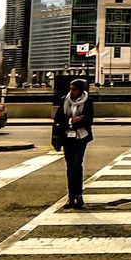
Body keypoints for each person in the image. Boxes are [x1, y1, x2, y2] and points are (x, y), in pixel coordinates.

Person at [54, 78, 94, 209]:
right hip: (67, 136)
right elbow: (58, 118)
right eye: (70, 89)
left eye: (74, 89)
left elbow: (89, 119)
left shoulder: (87, 101)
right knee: (70, 167)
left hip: (81, 137)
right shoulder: (64, 100)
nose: (72, 92)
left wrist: (77, 121)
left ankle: (79, 195)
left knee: (77, 165)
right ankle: (71, 197)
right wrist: (72, 121)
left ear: (81, 90)